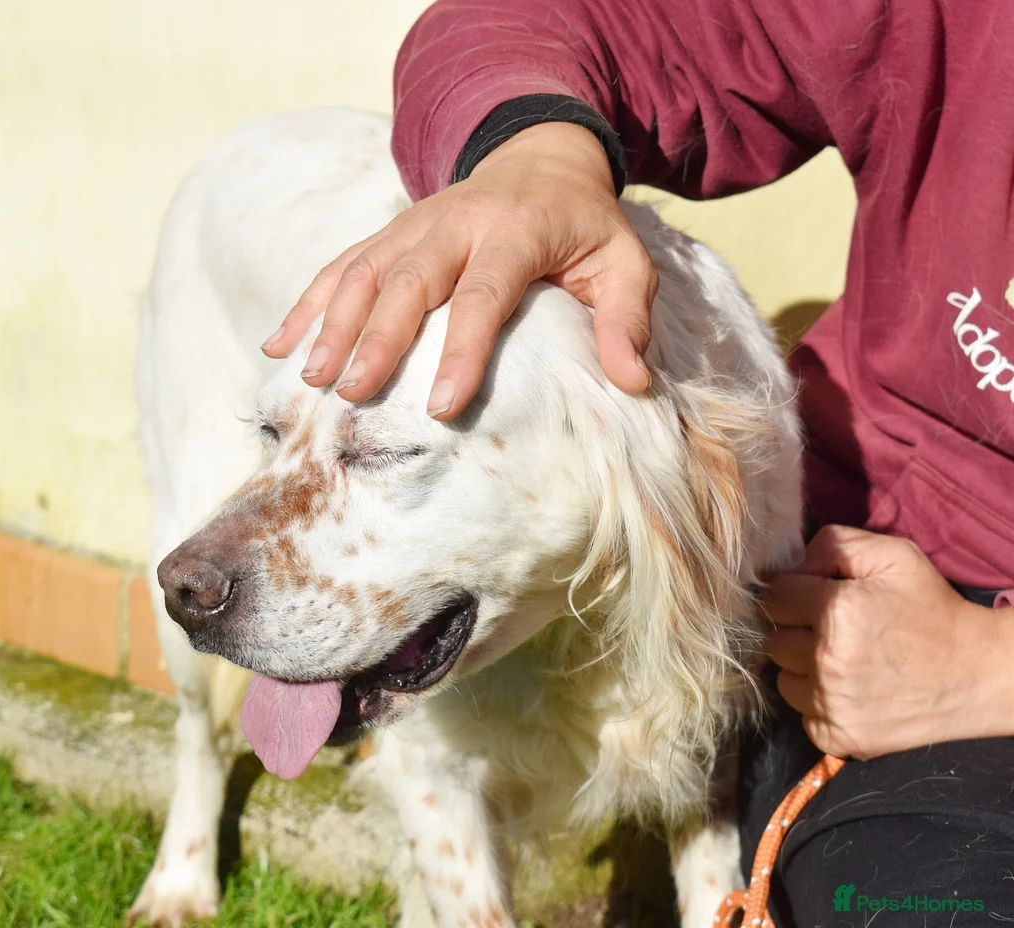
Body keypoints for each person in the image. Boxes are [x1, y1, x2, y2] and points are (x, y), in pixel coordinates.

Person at [262, 2, 1014, 923]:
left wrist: (991, 671)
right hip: (895, 578)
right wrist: (538, 158)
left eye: (383, 451)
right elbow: (588, 23)